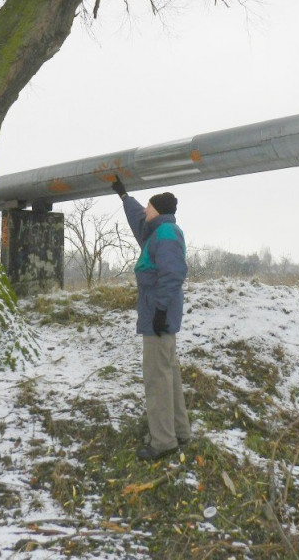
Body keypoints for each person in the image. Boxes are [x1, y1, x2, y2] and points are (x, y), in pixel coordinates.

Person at [112, 175, 191, 460]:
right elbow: (138, 218)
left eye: (148, 207)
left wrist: (159, 311)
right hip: (161, 318)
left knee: (157, 381)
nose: (145, 210)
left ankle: (163, 442)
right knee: (168, 376)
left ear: (157, 211)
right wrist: (124, 196)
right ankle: (179, 432)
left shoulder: (166, 234)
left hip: (159, 318)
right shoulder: (157, 232)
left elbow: (173, 275)